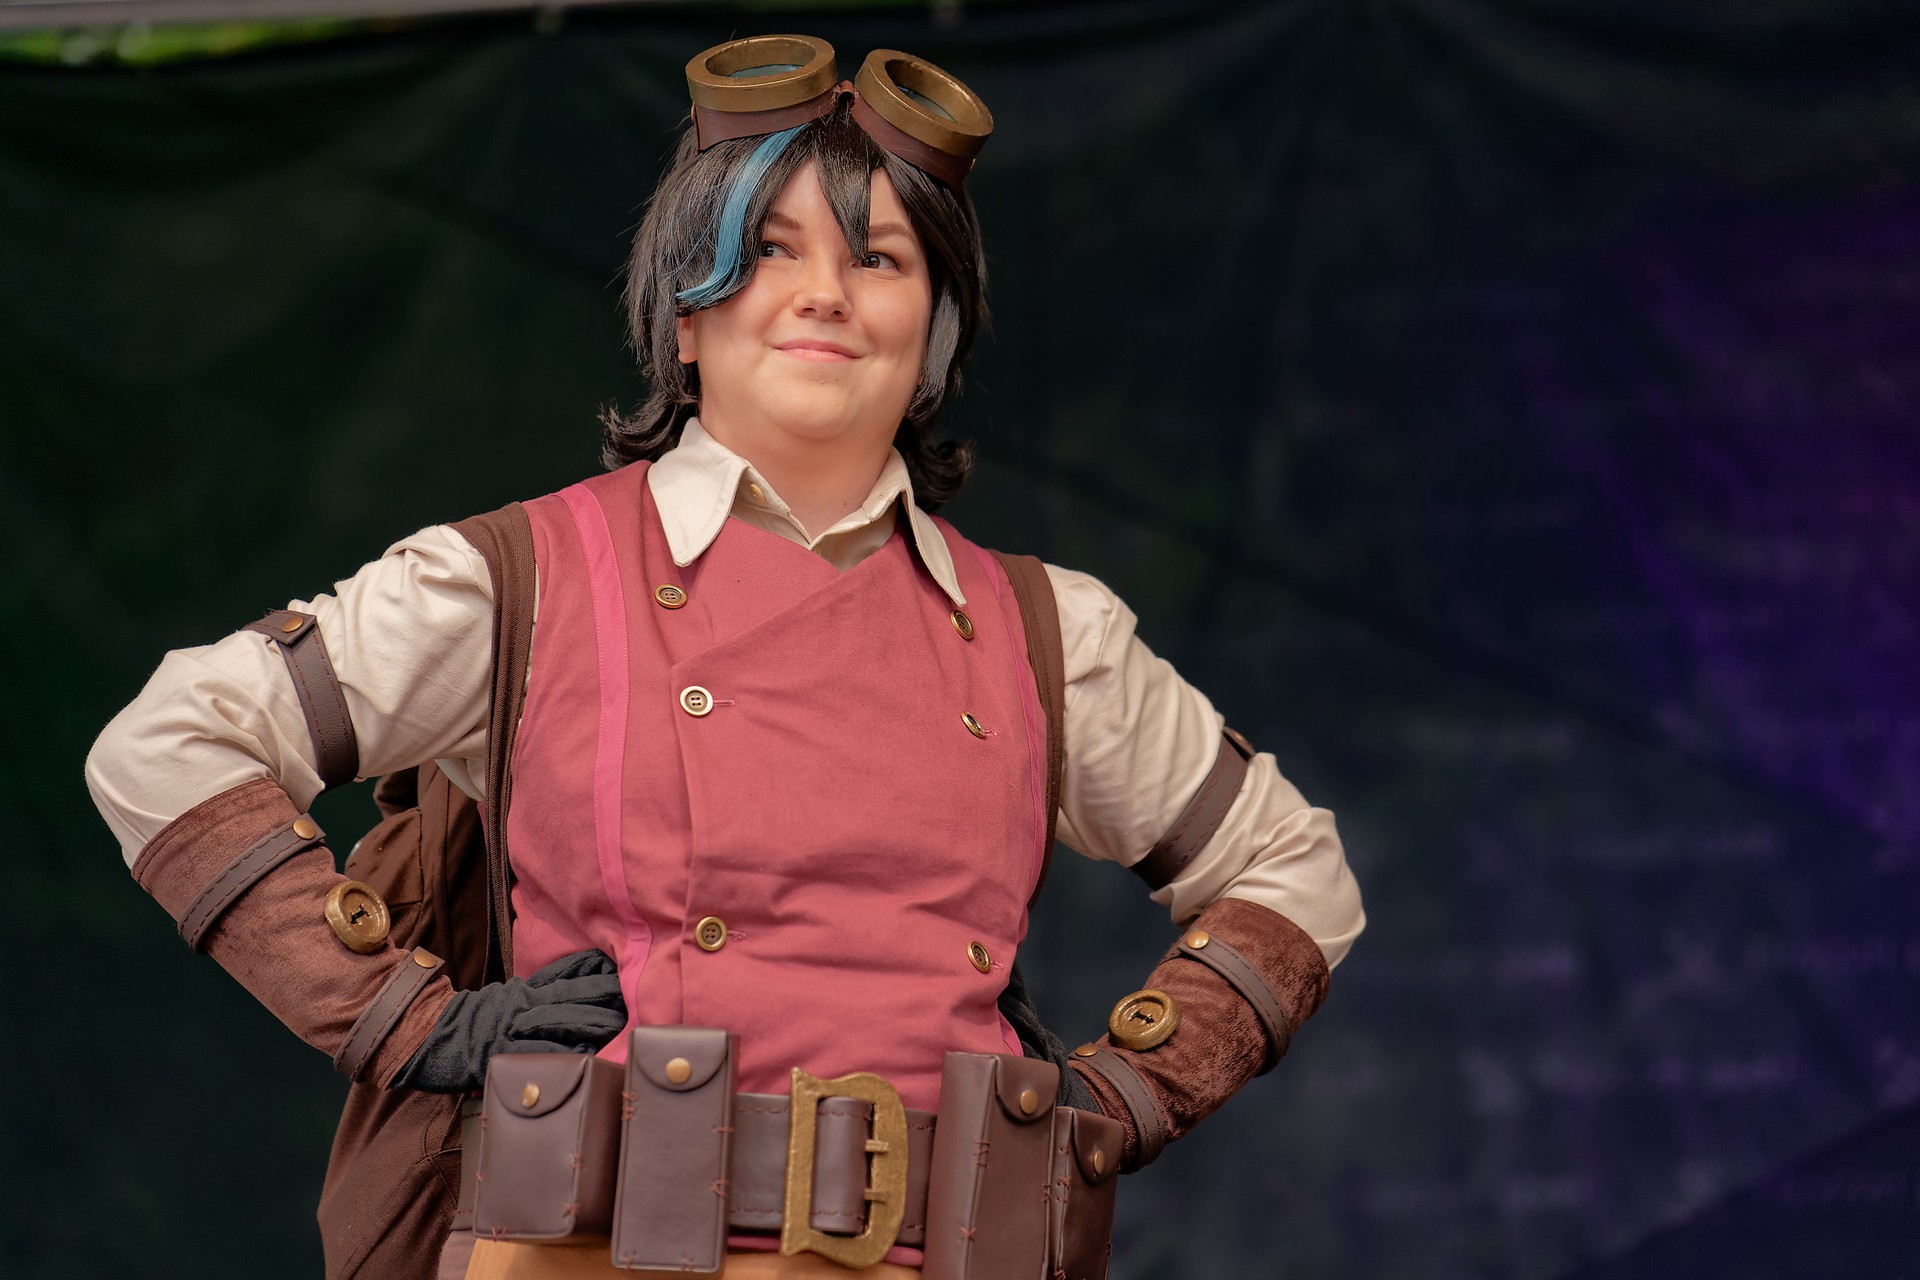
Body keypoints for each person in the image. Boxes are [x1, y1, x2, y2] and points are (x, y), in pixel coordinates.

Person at [85, 35, 1364, 1280]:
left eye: (880, 256)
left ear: (933, 329)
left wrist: (1131, 1089)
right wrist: (401, 1017)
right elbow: (169, 742)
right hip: (588, 1259)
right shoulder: (520, 579)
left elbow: (1295, 872)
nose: (826, 293)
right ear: (684, 319)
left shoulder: (1048, 632)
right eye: (769, 250)